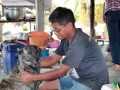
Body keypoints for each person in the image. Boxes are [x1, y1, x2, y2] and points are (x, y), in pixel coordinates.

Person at [19, 7, 109, 90]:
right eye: (54, 30)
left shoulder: (79, 42)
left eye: (57, 30)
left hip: (93, 83)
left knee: (41, 81)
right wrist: (31, 64)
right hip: (78, 77)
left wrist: (32, 77)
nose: (55, 33)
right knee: (42, 87)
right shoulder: (66, 39)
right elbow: (53, 58)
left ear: (69, 26)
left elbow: (60, 72)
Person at [103, 0, 120, 70]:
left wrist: (103, 14)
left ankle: (118, 63)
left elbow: (105, 3)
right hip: (118, 10)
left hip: (110, 13)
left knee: (113, 40)